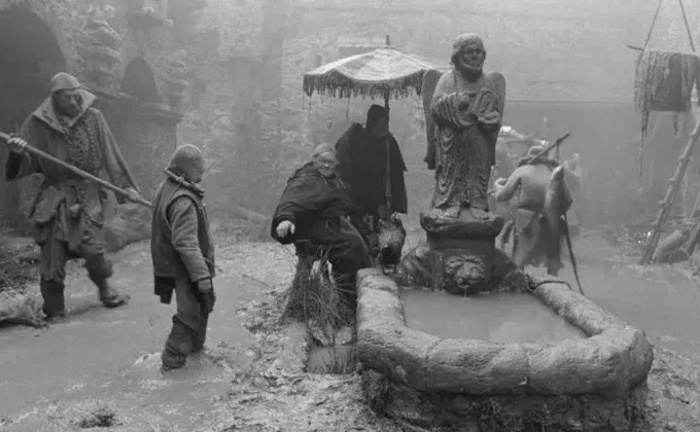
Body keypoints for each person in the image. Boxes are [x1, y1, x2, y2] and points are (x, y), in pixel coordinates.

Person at [4, 72, 141, 320]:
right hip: (54, 197)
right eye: (67, 98)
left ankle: (105, 289)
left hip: (87, 195)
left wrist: (125, 186)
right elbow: (21, 167)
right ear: (55, 98)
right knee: (52, 255)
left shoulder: (94, 117)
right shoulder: (37, 123)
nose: (74, 102)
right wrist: (17, 152)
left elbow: (110, 152)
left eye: (76, 96)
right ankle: (54, 308)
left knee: (94, 250)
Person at [271, 143, 372, 312]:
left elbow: (344, 202)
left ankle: (355, 293)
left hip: (327, 225)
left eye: (330, 162)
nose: (326, 165)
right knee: (349, 246)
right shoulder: (305, 179)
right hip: (308, 231)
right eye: (322, 161)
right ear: (314, 160)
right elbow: (291, 201)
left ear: (336, 164)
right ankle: (346, 300)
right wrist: (285, 220)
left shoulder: (333, 180)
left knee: (358, 241)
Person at [426, 33, 506, 221]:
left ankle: (477, 204)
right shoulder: (447, 79)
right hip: (453, 141)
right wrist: (455, 101)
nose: (475, 55)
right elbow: (435, 108)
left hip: (479, 141)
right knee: (452, 172)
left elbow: (495, 111)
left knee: (477, 173)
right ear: (458, 56)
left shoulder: (488, 81)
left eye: (479, 52)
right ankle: (450, 204)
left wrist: (493, 121)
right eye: (470, 52)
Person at [151, 144, 215, 372]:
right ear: (190, 168)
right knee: (190, 313)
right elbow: (186, 243)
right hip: (185, 269)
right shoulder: (184, 200)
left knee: (203, 306)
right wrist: (202, 277)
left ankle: (195, 352)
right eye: (199, 167)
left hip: (171, 264)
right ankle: (172, 360)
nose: (203, 171)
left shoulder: (166, 188)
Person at [335, 104, 407, 245]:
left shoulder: (388, 141)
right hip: (360, 198)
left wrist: (391, 202)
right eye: (382, 123)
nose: (385, 127)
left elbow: (396, 173)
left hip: (382, 199)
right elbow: (355, 174)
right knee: (363, 233)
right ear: (374, 122)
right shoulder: (357, 141)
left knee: (384, 235)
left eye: (386, 122)